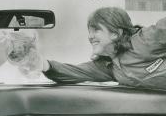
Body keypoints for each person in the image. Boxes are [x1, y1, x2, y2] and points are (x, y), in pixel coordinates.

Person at [19, 7, 166, 90]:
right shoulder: (109, 66)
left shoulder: (146, 40)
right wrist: (42, 64)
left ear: (116, 33)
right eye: (89, 31)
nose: (90, 37)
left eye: (96, 30)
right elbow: (74, 72)